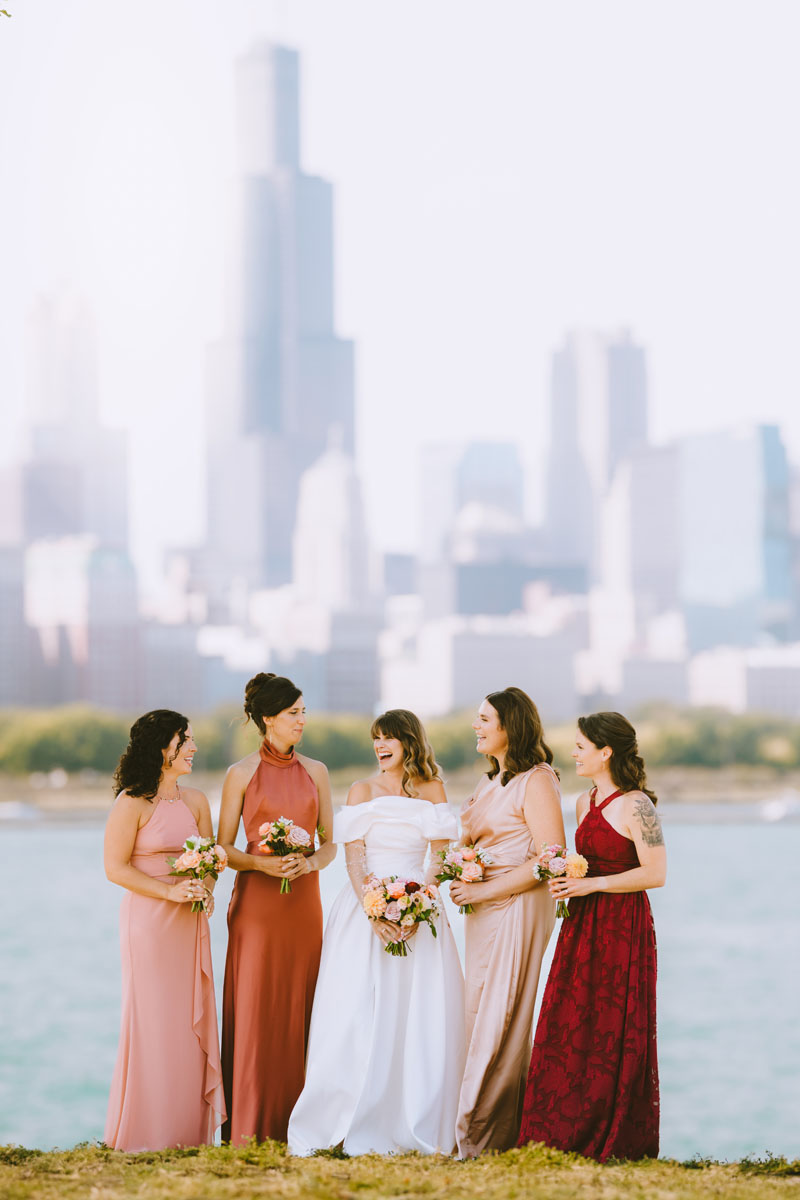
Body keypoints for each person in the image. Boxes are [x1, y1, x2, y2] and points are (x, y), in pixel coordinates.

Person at [287, 709, 465, 1156]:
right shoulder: (361, 789)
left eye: (388, 738)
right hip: (363, 910)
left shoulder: (432, 790)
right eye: (376, 739)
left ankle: (410, 1118)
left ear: (409, 741)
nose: (380, 746)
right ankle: (342, 1118)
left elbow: (438, 859)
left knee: (417, 1012)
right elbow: (354, 859)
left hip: (420, 911)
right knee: (353, 1011)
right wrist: (375, 909)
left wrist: (415, 906)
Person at [517, 711, 665, 1161]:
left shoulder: (637, 804)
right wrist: (566, 878)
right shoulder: (584, 803)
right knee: (570, 1019)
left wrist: (593, 884)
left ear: (606, 752)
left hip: (623, 927)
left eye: (582, 746)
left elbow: (656, 874)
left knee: (613, 1027)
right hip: (582, 924)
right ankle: (559, 1130)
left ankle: (612, 1134)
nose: (574, 753)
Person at [218, 673, 335, 1145]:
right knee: (257, 1009)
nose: (302, 720)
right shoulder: (240, 774)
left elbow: (331, 845)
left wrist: (307, 863)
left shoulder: (318, 771)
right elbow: (223, 848)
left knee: (304, 1004)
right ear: (268, 718)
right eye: (293, 713)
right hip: (257, 908)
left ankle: (304, 1125)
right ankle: (251, 1125)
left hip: (304, 905)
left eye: (304, 711)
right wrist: (264, 867)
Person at [449, 686, 565, 1158]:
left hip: (516, 906)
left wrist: (482, 888)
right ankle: (472, 1123)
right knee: (477, 1015)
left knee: (503, 1016)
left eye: (484, 719)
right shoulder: (488, 781)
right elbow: (468, 842)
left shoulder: (536, 779)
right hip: (482, 910)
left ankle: (486, 1135)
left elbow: (551, 857)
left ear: (509, 726)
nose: (475, 726)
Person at [103, 710, 226, 1151]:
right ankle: (147, 1132)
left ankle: (189, 1134)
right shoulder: (131, 802)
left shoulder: (196, 802)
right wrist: (168, 893)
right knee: (154, 1022)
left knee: (190, 1022)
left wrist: (205, 888)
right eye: (184, 740)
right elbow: (114, 868)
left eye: (191, 740)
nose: (193, 747)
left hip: (190, 923)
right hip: (150, 927)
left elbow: (212, 861)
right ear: (161, 747)